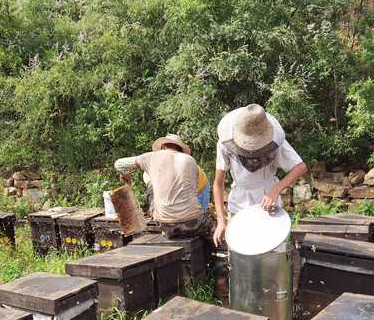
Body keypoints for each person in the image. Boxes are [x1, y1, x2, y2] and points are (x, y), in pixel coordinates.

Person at [212, 104, 308, 246]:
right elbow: (218, 184)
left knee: (271, 252)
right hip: (239, 205)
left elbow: (300, 167)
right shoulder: (225, 144)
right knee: (241, 254)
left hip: (268, 206)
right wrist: (221, 220)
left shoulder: (275, 142)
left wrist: (275, 190)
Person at [114, 134, 214, 239]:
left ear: (163, 147)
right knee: (211, 230)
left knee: (150, 181)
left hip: (165, 225)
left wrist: (125, 173)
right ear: (180, 149)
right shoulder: (190, 160)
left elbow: (118, 164)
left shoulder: (150, 157)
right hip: (194, 223)